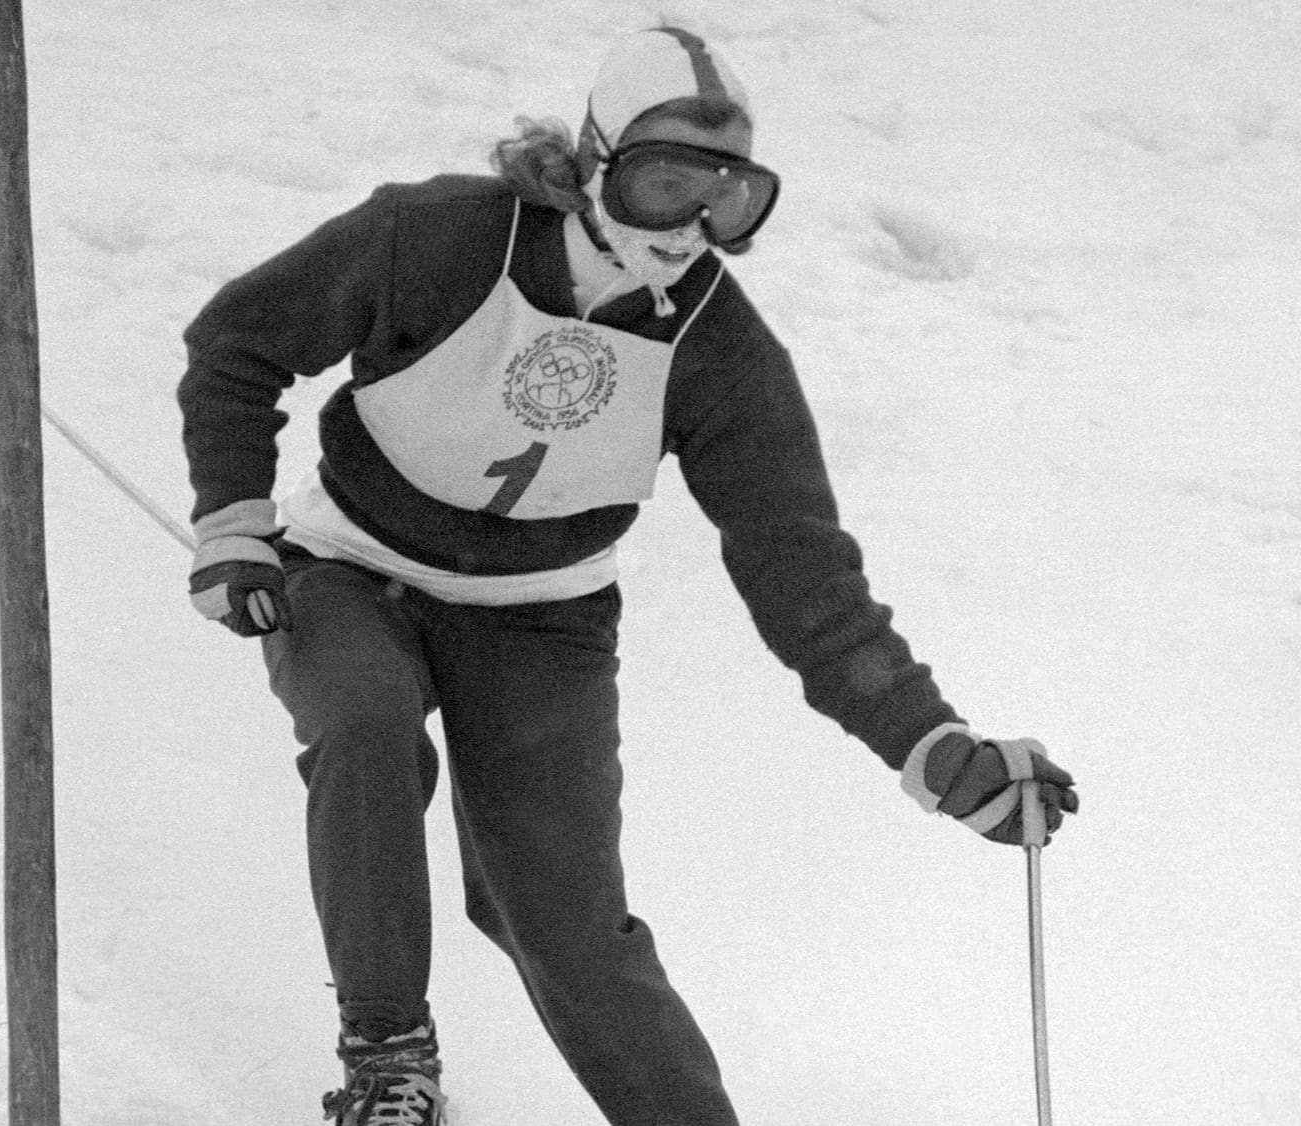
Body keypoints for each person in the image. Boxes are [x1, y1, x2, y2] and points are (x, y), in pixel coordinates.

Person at [177, 25, 1079, 1126]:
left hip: (537, 621)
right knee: (363, 722)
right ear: (594, 165)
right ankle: (388, 1060)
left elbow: (802, 576)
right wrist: (231, 521)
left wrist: (930, 744)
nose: (693, 227)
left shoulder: (720, 352)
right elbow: (236, 344)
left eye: (730, 198)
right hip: (348, 569)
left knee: (559, 915)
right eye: (664, 184)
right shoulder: (437, 238)